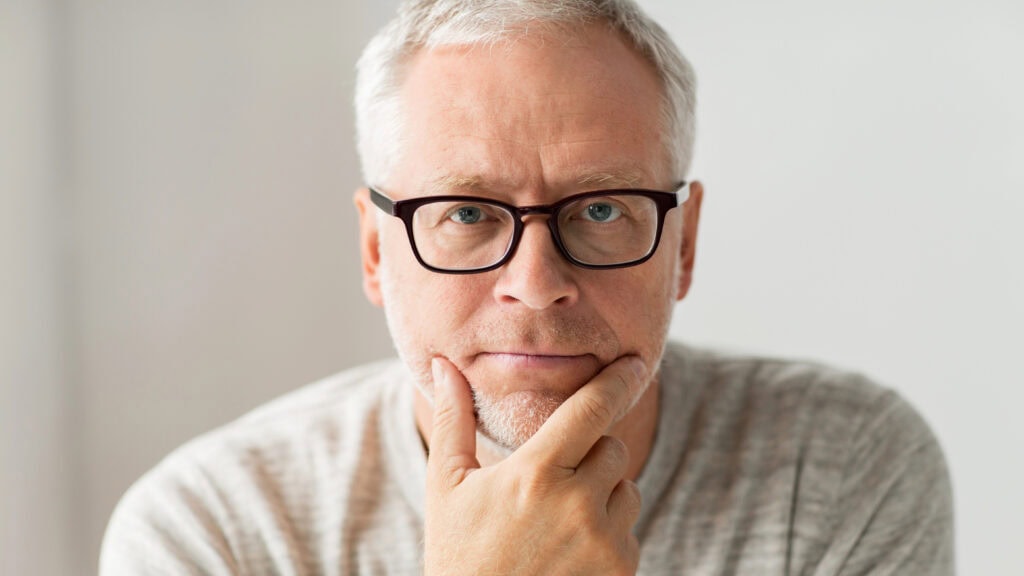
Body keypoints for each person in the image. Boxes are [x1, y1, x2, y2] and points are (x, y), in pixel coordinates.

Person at [100, 0, 954, 574]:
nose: (536, 285)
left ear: (684, 245)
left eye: (603, 210)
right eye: (467, 214)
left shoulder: (839, 466)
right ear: (374, 251)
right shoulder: (215, 529)